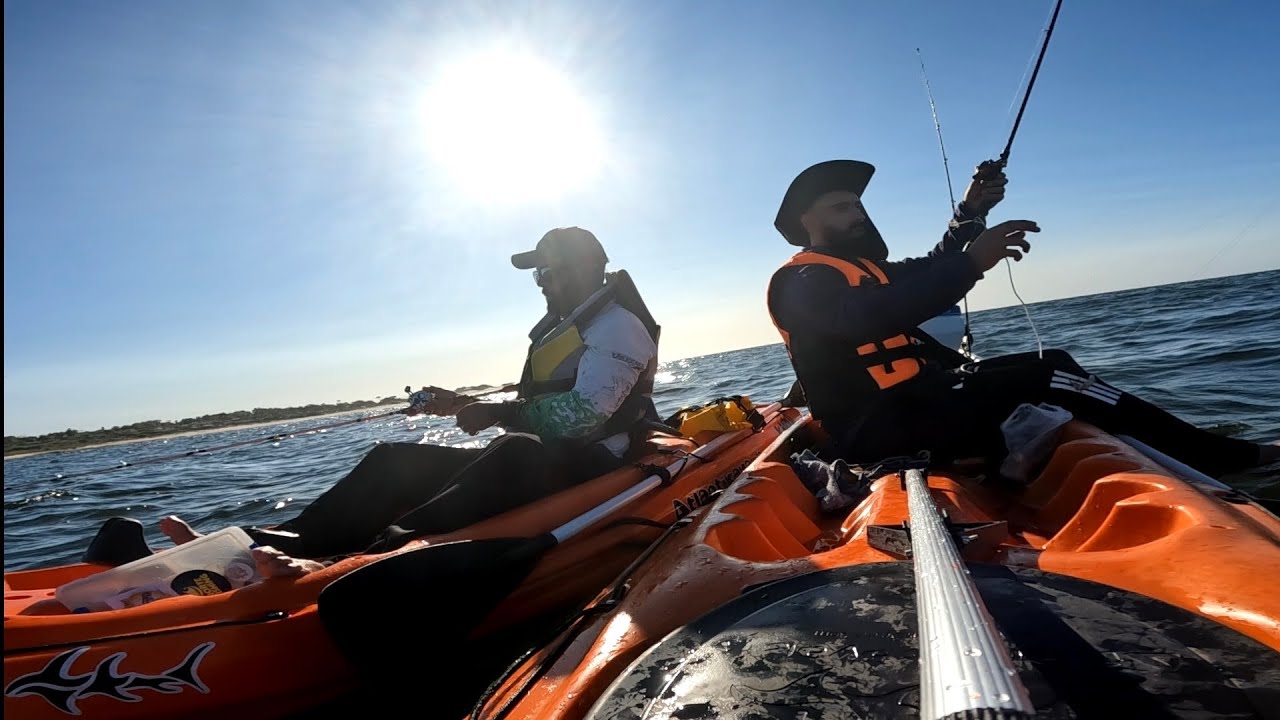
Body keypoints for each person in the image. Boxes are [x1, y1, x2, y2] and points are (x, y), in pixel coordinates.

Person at [162, 227, 661, 560]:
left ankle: (368, 558)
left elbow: (581, 416)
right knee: (392, 459)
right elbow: (541, 396)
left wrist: (494, 414)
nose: (541, 285)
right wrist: (466, 404)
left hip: (596, 462)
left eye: (546, 273)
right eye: (539, 276)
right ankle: (286, 541)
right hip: (551, 455)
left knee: (514, 454)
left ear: (577, 269)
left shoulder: (618, 327)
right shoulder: (569, 327)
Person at [766, 159, 1279, 478]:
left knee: (1050, 359)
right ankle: (1226, 456)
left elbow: (938, 261)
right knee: (1047, 376)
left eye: (857, 204)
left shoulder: (866, 270)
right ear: (806, 223)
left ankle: (1168, 449)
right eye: (841, 206)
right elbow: (865, 318)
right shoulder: (800, 281)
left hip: (920, 401)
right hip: (877, 428)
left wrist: (971, 211)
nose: (857, 213)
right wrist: (973, 263)